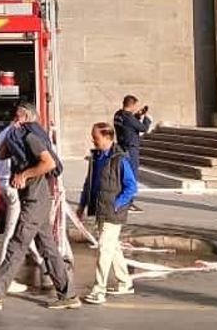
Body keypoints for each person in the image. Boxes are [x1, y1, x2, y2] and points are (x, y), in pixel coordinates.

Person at [0, 104, 79, 311]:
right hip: (34, 199)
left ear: (27, 117)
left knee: (18, 244)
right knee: (48, 248)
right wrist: (11, 133)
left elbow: (48, 163)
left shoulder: (31, 137)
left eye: (18, 115)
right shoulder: (18, 136)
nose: (14, 118)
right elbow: (1, 154)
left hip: (36, 200)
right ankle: (68, 294)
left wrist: (24, 174)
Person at [77, 122, 138, 305]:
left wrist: (117, 204)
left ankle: (99, 290)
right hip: (100, 210)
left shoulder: (120, 159)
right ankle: (125, 282)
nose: (93, 140)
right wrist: (82, 205)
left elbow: (131, 186)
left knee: (104, 249)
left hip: (113, 212)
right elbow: (89, 184)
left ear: (107, 137)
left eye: (96, 137)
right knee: (113, 248)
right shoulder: (96, 157)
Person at [0, 106, 52, 294]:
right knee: (14, 233)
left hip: (3, 183)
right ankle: (2, 277)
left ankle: (43, 264)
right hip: (13, 186)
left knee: (27, 230)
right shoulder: (19, 134)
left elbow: (0, 155)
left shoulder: (6, 132)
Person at [113, 95, 151, 212]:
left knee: (124, 175)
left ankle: (123, 201)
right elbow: (143, 128)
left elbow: (128, 124)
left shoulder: (118, 115)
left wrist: (137, 116)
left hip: (122, 147)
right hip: (131, 149)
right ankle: (128, 203)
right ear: (132, 105)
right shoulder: (129, 118)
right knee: (131, 176)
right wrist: (146, 118)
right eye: (135, 106)